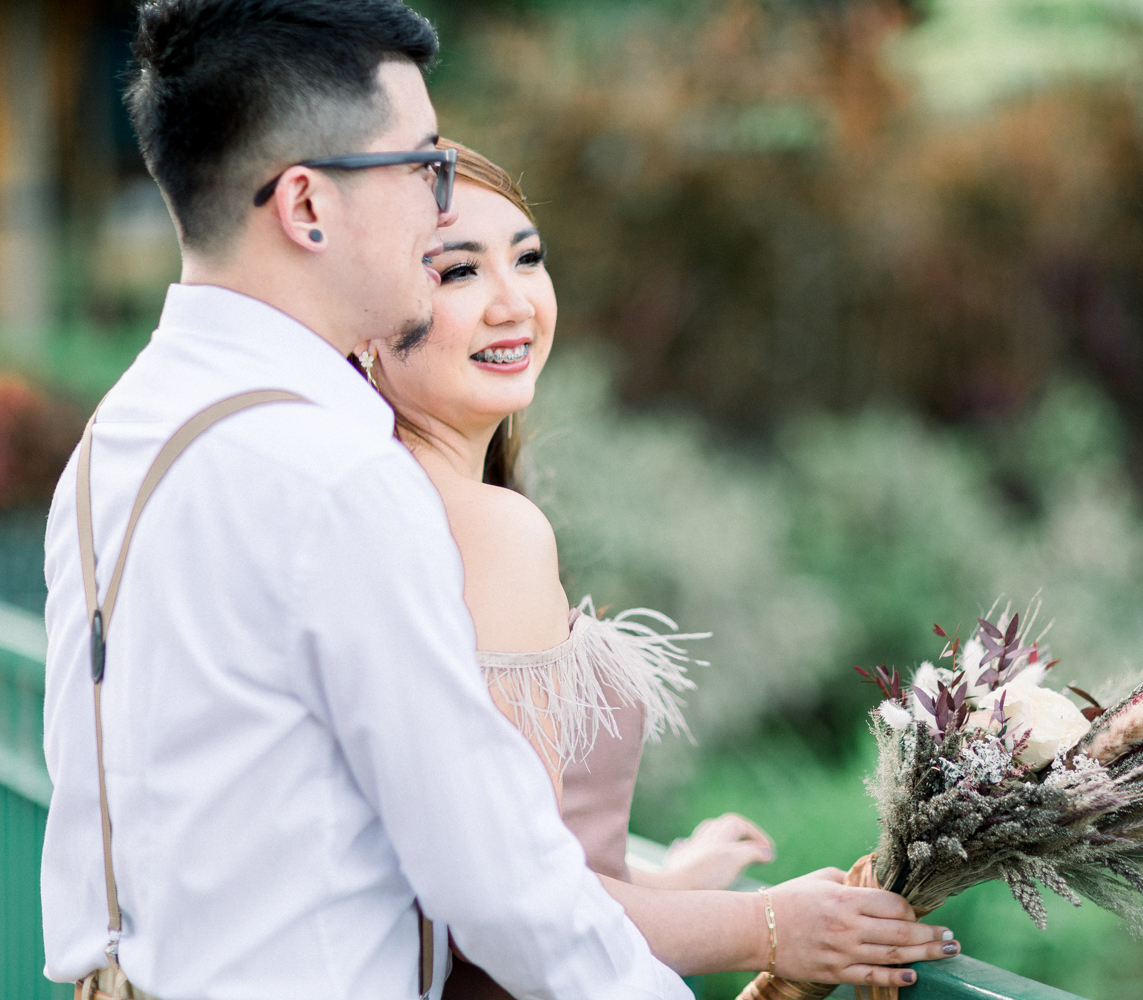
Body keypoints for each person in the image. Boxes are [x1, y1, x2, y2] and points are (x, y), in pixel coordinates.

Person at [40, 2, 949, 997]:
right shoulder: (334, 476)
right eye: (421, 167)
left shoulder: (119, 438)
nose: (438, 201)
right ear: (306, 206)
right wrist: (762, 930)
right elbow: (501, 886)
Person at [355, 140, 963, 996]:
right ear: (363, 320)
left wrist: (664, 883)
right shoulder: (488, 532)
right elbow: (514, 905)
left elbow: (456, 833)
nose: (513, 303)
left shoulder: (382, 506)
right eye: (458, 272)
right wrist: (772, 927)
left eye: (526, 258)